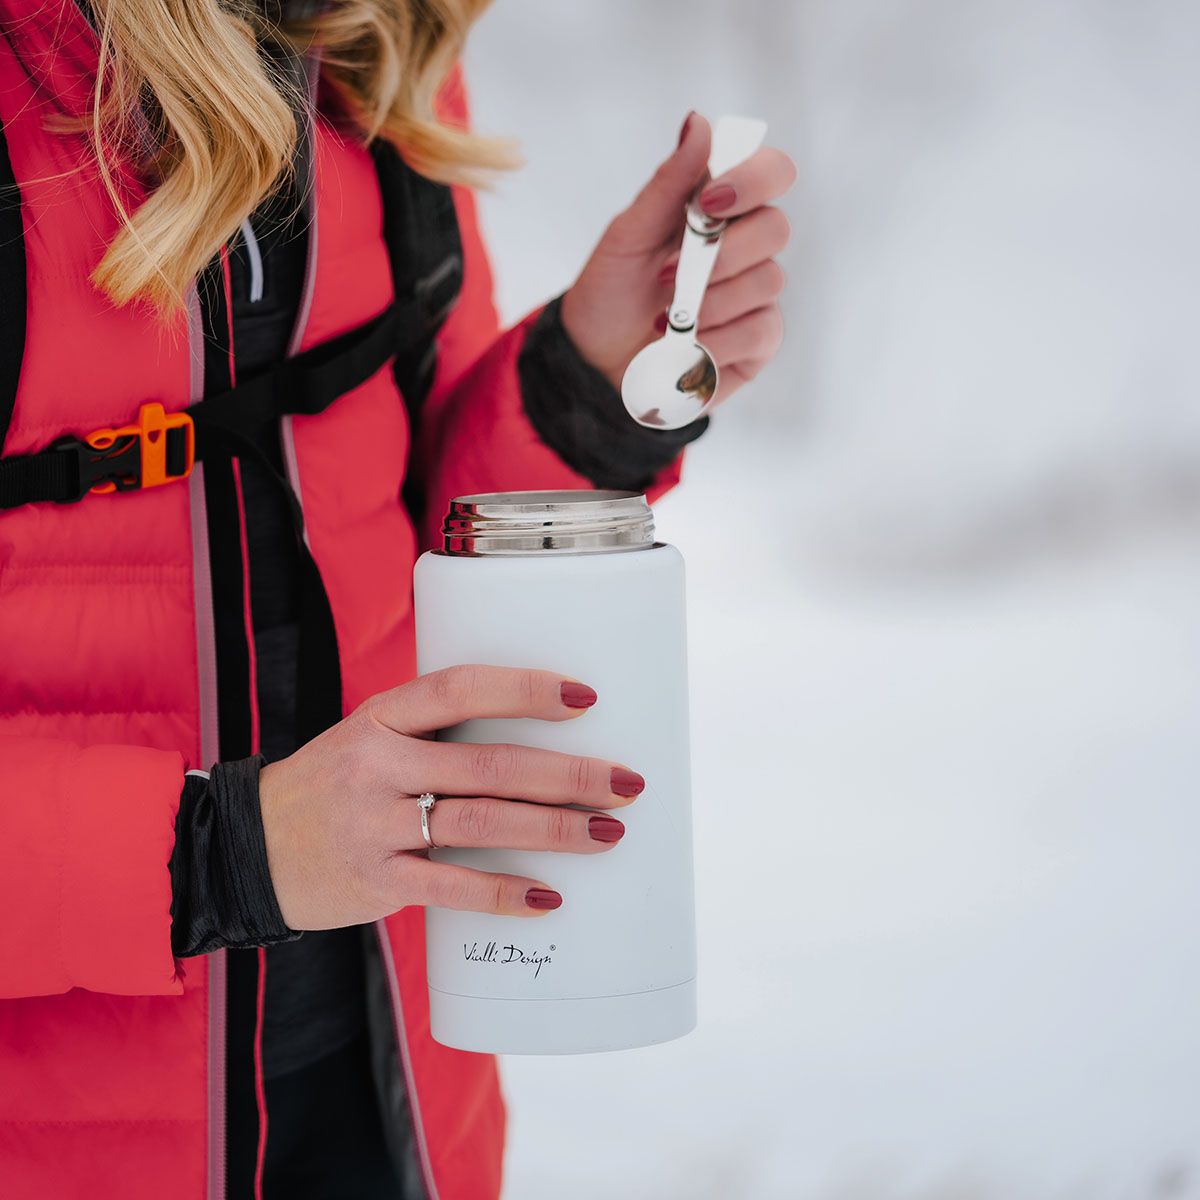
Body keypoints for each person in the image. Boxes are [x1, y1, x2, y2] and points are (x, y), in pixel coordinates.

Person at [0, 2, 795, 1197]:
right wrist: (223, 855)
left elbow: (398, 517)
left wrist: (586, 380)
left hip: (391, 1096)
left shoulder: (366, 32)